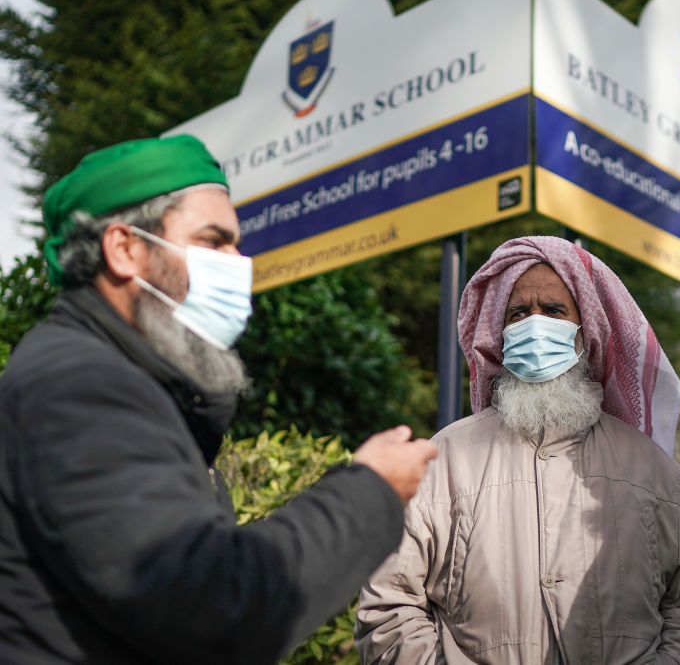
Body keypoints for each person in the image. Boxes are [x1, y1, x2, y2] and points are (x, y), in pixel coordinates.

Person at [0, 134, 438, 664]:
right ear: (124, 249)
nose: (239, 263)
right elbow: (210, 605)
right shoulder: (83, 388)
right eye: (214, 241)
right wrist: (371, 492)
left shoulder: (120, 381)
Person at [355, 236, 680, 664]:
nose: (535, 325)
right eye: (518, 313)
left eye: (553, 311)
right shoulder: (446, 457)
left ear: (584, 329)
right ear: (499, 334)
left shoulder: (651, 469)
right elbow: (388, 605)